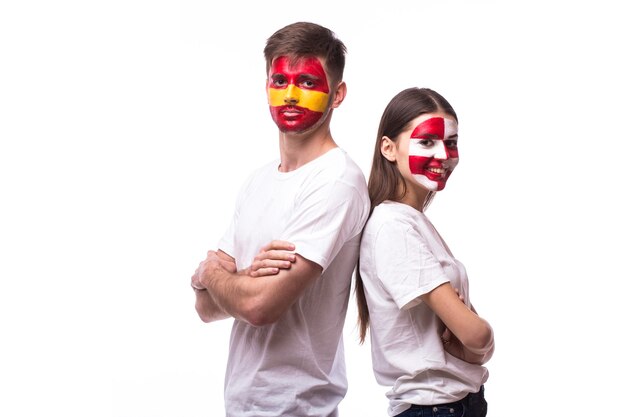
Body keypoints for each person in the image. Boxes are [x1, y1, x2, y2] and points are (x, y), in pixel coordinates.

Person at [190, 22, 370, 417]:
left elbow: (259, 307)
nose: (289, 94)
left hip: (298, 409)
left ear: (337, 95)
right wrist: (231, 284)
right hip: (242, 406)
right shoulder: (258, 182)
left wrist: (210, 275)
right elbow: (205, 309)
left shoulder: (337, 180)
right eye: (279, 80)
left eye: (306, 81)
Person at [354, 87, 495, 417]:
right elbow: (475, 336)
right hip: (433, 408)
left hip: (454, 404)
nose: (444, 155)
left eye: (452, 142)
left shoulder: (413, 222)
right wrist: (478, 334)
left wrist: (474, 340)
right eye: (428, 141)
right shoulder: (394, 226)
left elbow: (475, 349)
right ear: (388, 149)